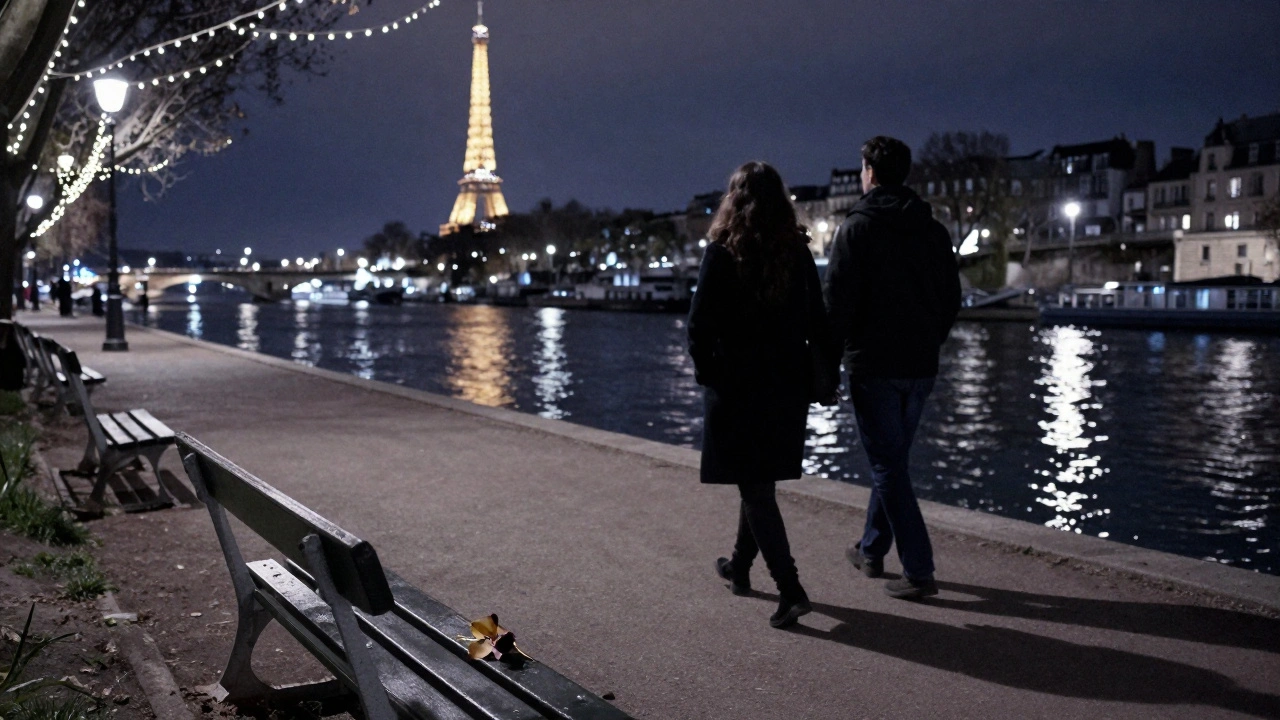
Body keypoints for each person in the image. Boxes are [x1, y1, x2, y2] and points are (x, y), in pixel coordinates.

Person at [688, 161, 832, 629]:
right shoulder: (797, 252)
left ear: (735, 201)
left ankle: (790, 590)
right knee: (758, 483)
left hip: (738, 387)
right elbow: (819, 323)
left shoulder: (723, 252)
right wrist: (821, 378)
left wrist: (711, 376)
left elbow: (699, 326)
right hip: (786, 387)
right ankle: (740, 569)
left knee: (754, 486)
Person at [823, 136, 961, 600]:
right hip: (921, 365)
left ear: (870, 172)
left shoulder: (857, 229)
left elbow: (836, 307)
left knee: (887, 465)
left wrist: (825, 364)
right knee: (893, 461)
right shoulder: (934, 231)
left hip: (874, 364)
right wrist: (929, 341)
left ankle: (919, 570)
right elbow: (950, 301)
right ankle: (871, 548)